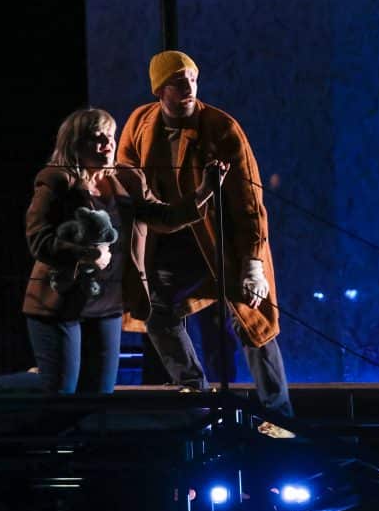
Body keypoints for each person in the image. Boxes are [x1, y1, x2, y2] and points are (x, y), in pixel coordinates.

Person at [0, 108, 223, 395]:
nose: (108, 143)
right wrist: (86, 254)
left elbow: (164, 217)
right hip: (60, 302)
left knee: (98, 395)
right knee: (58, 388)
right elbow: (38, 241)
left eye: (111, 136)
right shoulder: (57, 181)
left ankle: (72, 436)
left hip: (107, 307)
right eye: (98, 138)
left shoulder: (127, 180)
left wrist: (204, 191)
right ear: (76, 144)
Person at [117, 50, 293, 419]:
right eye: (179, 82)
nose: (189, 87)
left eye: (193, 79)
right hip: (172, 242)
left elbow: (249, 201)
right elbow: (126, 174)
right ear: (159, 90)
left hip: (222, 243)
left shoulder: (221, 127)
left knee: (253, 319)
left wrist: (253, 264)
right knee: (156, 308)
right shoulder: (140, 123)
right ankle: (194, 391)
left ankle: (278, 414)